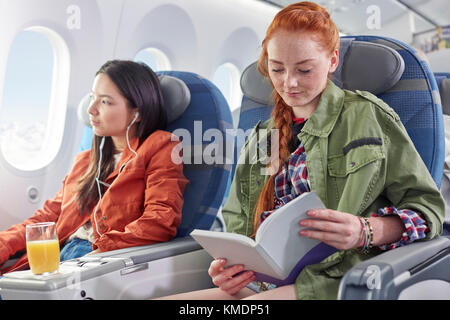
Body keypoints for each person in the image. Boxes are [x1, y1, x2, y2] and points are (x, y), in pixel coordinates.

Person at [158, 2, 444, 300]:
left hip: (335, 279)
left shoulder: (368, 117)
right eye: (277, 69)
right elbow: (238, 226)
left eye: (304, 70)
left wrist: (366, 231)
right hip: (264, 282)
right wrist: (228, 268)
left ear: (332, 61)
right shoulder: (262, 136)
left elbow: (429, 211)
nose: (289, 83)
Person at [0, 60, 189, 274]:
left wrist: (101, 252)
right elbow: (47, 217)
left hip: (98, 259)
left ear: (137, 112)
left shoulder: (161, 146)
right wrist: (4, 245)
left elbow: (159, 221)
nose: (91, 110)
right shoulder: (86, 160)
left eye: (105, 102)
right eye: (92, 98)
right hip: (55, 255)